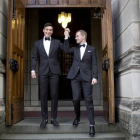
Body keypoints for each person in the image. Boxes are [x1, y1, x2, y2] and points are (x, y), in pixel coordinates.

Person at [31, 23, 69, 129]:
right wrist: (33, 69)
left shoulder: (57, 42)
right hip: (43, 71)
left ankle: (54, 118)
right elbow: (34, 57)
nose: (48, 31)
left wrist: (66, 37)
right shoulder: (37, 43)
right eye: (47, 29)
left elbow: (66, 50)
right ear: (43, 30)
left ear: (52, 31)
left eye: (50, 30)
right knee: (43, 95)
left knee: (54, 94)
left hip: (54, 72)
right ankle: (44, 119)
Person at [64, 29, 98, 137]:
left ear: (83, 36)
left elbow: (94, 64)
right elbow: (66, 50)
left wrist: (95, 77)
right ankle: (77, 117)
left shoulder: (92, 49)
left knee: (88, 100)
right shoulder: (75, 49)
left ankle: (92, 125)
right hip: (75, 77)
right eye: (75, 36)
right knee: (76, 99)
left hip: (87, 77)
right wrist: (66, 36)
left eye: (77, 36)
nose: (76, 38)